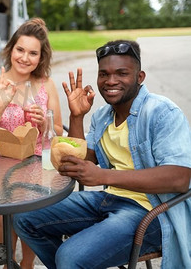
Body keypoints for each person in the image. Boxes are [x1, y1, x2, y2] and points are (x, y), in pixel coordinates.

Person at [13, 40, 191, 268]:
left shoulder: (161, 112)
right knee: (24, 216)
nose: (111, 81)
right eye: (103, 74)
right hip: (110, 200)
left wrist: (103, 176)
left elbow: (179, 178)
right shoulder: (103, 116)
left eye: (122, 73)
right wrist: (76, 116)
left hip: (152, 213)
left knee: (69, 257)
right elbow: (81, 159)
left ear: (140, 77)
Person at [0, 18, 63, 269]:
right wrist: (1, 104)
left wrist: (45, 123)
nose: (25, 58)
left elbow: (58, 130)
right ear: (11, 49)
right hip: (2, 160)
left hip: (38, 160)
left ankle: (26, 263)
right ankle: (9, 262)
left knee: (30, 213)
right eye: (20, 50)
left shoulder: (46, 83)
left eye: (33, 53)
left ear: (41, 57)